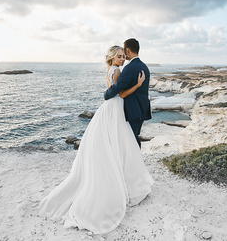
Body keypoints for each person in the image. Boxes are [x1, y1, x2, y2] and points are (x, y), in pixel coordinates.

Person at [38, 45, 154, 234]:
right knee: (120, 142)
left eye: (123, 56)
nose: (122, 59)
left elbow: (111, 91)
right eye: (118, 56)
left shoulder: (109, 70)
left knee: (112, 142)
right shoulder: (116, 71)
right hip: (115, 107)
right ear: (112, 57)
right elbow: (119, 93)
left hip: (109, 108)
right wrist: (138, 85)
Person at [104, 38, 152, 148]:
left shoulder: (130, 68)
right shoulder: (144, 66)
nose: (123, 57)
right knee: (132, 138)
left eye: (124, 52)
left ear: (128, 50)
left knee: (132, 140)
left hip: (133, 110)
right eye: (119, 56)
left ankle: (135, 163)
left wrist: (106, 94)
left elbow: (117, 89)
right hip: (141, 109)